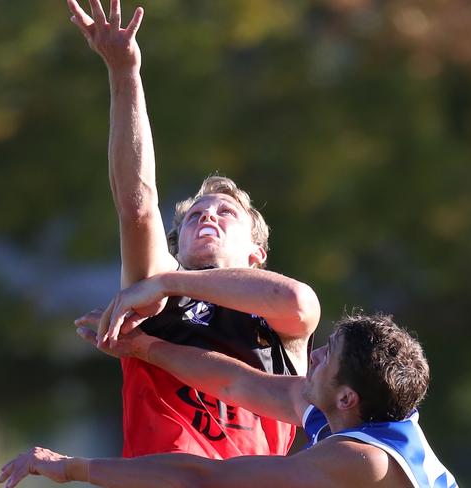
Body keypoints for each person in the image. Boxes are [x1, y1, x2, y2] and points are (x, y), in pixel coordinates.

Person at [65, 0, 320, 459]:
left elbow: (297, 303)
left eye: (226, 213)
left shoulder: (278, 321)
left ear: (255, 254)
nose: (207, 217)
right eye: (195, 215)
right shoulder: (156, 294)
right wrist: (125, 73)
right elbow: (138, 204)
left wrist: (169, 279)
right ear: (176, 243)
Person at [0, 312, 458, 488]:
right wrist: (141, 348)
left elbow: (202, 478)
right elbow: (237, 383)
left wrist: (71, 467)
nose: (313, 354)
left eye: (327, 354)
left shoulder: (360, 459)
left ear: (347, 396)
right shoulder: (349, 411)